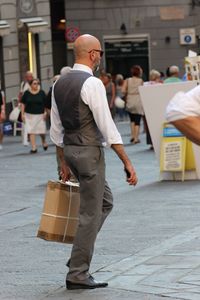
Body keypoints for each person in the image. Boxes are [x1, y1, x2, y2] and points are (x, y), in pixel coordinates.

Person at [50, 34, 138, 290]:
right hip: (89, 153)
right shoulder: (93, 83)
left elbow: (56, 130)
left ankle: (78, 254)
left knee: (105, 201)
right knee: (90, 213)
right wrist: (127, 162)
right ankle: (77, 273)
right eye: (99, 51)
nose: (100, 56)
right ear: (92, 54)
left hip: (70, 152)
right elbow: (107, 127)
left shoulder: (59, 83)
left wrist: (62, 163)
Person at [21, 78, 48, 153]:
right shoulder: (27, 93)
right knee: (31, 131)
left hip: (40, 114)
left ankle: (43, 141)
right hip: (29, 115)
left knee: (41, 131)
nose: (36, 85)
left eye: (37, 83)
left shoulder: (42, 93)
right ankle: (34, 147)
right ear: (30, 85)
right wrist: (22, 114)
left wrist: (45, 112)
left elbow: (45, 104)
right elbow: (23, 104)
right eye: (34, 83)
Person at [122, 65, 144, 144]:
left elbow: (123, 90)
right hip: (138, 100)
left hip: (130, 100)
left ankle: (132, 136)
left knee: (132, 120)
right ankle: (136, 138)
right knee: (137, 120)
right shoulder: (141, 81)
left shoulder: (127, 80)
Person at [144, 69, 162, 149]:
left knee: (149, 126)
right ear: (156, 77)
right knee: (157, 126)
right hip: (157, 108)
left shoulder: (145, 84)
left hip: (147, 108)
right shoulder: (160, 85)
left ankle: (151, 143)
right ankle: (157, 142)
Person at [18, 71, 34, 146]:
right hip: (24, 106)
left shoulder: (34, 83)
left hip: (32, 106)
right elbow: (20, 94)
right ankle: (25, 139)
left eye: (30, 76)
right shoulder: (23, 84)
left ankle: (29, 137)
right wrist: (20, 103)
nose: (28, 78)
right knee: (24, 123)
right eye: (27, 77)